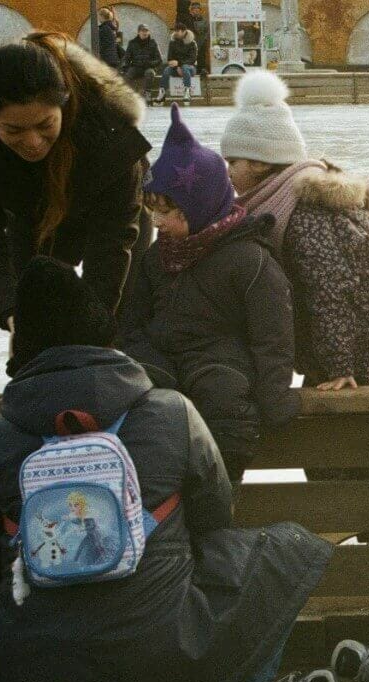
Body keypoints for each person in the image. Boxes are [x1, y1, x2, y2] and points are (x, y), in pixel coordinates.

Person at [0, 255, 333, 682]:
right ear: (100, 334)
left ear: (24, 347)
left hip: (38, 673)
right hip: (163, 653)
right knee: (286, 552)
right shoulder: (171, 411)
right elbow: (215, 518)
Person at [221, 71, 369, 488]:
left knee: (367, 452)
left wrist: (338, 365)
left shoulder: (305, 211)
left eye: (232, 162)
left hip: (366, 347)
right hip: (352, 343)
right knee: (336, 456)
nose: (228, 173)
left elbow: (331, 289)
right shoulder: (284, 203)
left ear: (258, 163)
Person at [0, 32, 150, 372]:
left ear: (64, 104)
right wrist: (11, 312)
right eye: (13, 131)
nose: (33, 142)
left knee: (112, 321)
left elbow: (113, 239)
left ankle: (114, 383)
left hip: (110, 217)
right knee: (32, 315)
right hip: (31, 217)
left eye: (44, 124)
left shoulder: (108, 130)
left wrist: (95, 326)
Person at [120, 104, 300, 486]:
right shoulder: (156, 259)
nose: (158, 223)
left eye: (169, 213)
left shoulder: (249, 259)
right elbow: (132, 322)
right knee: (147, 396)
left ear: (200, 205)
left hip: (223, 368)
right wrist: (146, 360)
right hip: (165, 361)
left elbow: (273, 336)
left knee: (223, 392)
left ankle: (219, 493)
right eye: (152, 211)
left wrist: (275, 395)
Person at [121, 23, 163, 97]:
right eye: (142, 31)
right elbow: (127, 57)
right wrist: (125, 67)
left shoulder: (153, 43)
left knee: (149, 73)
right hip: (136, 66)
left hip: (149, 67)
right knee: (128, 75)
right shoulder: (132, 43)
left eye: (146, 31)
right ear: (138, 32)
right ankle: (127, 95)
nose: (145, 33)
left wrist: (149, 64)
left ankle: (147, 94)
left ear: (149, 32)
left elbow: (159, 59)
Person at [161, 23, 198, 102]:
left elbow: (192, 59)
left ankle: (187, 92)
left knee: (185, 67)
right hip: (176, 68)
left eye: (177, 31)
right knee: (166, 70)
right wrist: (176, 66)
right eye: (175, 31)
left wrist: (179, 64)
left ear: (184, 31)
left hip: (190, 68)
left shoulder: (192, 43)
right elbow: (170, 58)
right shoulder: (172, 42)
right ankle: (162, 93)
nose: (175, 32)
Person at [189, 2, 211, 73]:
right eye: (194, 9)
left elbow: (206, 30)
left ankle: (201, 71)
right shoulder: (189, 20)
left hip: (201, 42)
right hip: (191, 43)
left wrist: (204, 39)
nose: (196, 11)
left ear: (200, 10)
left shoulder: (204, 20)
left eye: (197, 9)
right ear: (191, 10)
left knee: (201, 59)